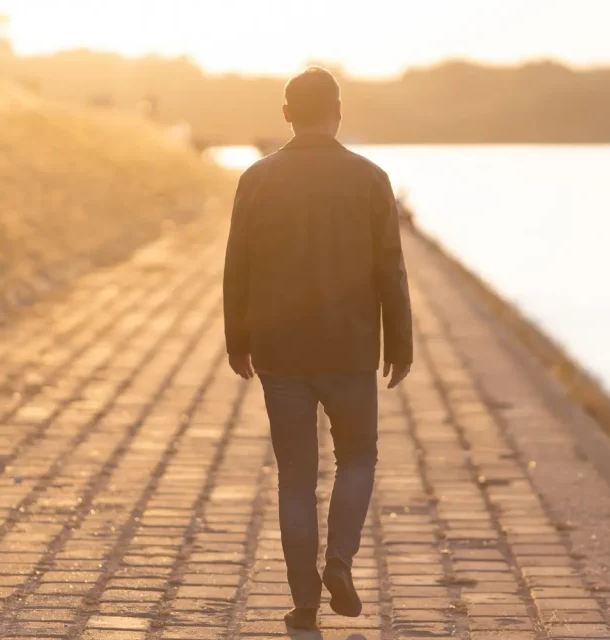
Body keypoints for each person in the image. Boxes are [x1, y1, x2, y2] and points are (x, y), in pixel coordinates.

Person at [223, 67, 413, 631]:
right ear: (338, 111)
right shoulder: (371, 178)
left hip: (281, 353)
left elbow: (238, 268)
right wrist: (399, 344)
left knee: (295, 479)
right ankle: (340, 561)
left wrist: (239, 341)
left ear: (285, 114)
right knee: (358, 457)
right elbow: (391, 269)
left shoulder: (256, 179)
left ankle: (304, 604)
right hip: (351, 350)